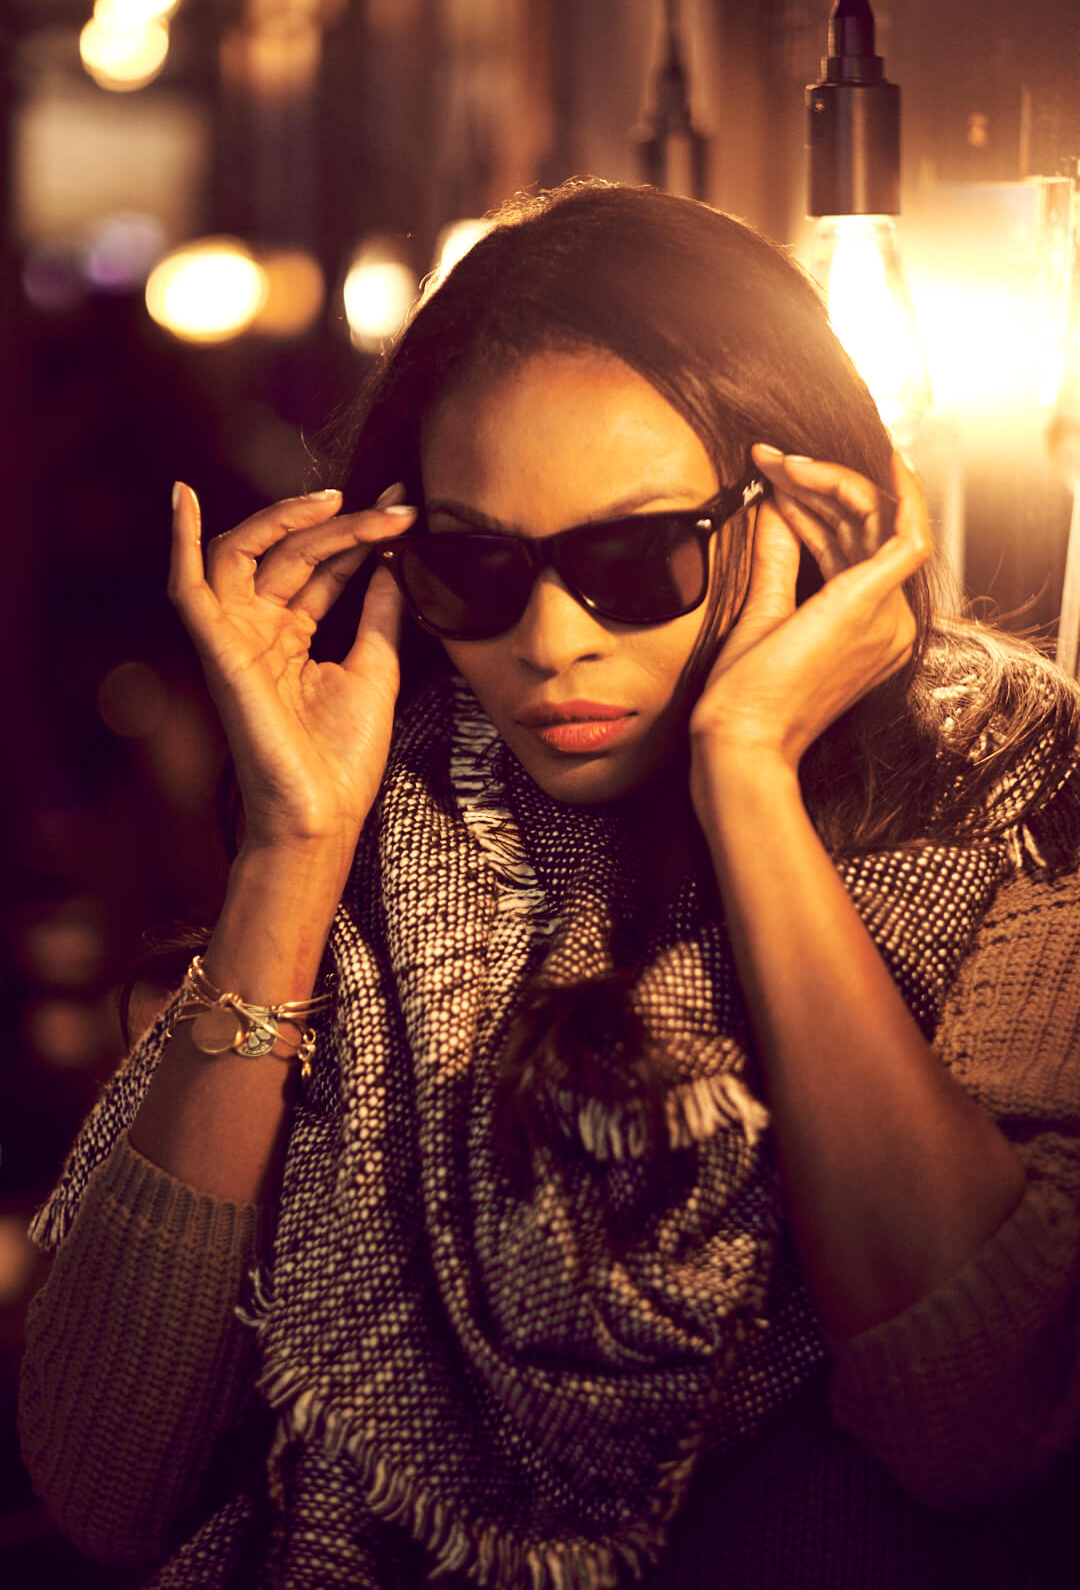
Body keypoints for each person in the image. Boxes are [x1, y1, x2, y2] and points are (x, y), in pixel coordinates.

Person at [18, 180, 1080, 1590]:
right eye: (478, 565)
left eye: (635, 558)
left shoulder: (1008, 798)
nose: (549, 639)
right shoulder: (378, 831)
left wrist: (750, 775)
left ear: (799, 523)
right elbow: (103, 1476)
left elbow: (986, 1424)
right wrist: (289, 850)